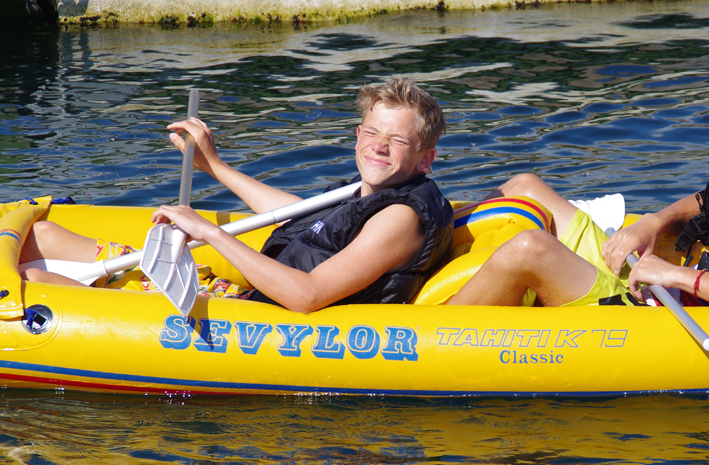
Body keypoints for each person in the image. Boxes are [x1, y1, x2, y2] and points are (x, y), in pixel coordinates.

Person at [448, 18, 709, 322]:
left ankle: (425, 331)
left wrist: (673, 275)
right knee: (526, 186)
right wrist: (654, 222)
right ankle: (424, 256)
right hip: (678, 287)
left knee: (530, 248)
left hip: (685, 313)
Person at [20, 77, 454, 313]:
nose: (379, 146)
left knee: (35, 285)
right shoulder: (371, 189)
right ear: (358, 135)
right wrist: (214, 166)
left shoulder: (399, 217)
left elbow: (307, 296)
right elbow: (299, 216)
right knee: (43, 236)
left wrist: (209, 232)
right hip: (237, 296)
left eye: (397, 140)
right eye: (372, 133)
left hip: (247, 319)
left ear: (425, 158)